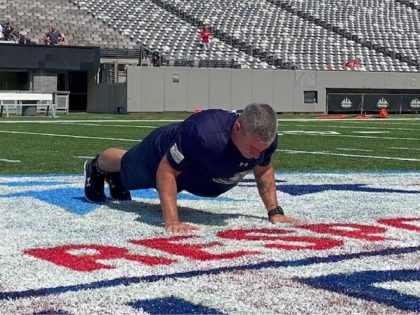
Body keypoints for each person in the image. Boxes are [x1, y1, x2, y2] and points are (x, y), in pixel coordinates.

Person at [84, 103, 302, 233]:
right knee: (127, 165)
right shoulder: (204, 134)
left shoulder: (264, 142)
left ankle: (116, 179)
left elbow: (263, 170)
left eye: (261, 149)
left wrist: (275, 212)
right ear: (238, 128)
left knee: (130, 178)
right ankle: (96, 167)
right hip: (161, 153)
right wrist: (172, 221)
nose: (257, 154)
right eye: (253, 148)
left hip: (196, 171)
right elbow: (167, 170)